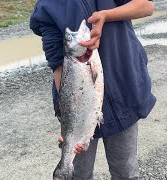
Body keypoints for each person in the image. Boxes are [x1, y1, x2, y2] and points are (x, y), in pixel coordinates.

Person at [30, 0, 156, 179]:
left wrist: (106, 15)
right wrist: (69, 123)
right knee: (79, 174)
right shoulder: (46, 7)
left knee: (126, 173)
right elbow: (58, 65)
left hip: (125, 92)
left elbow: (146, 6)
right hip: (81, 110)